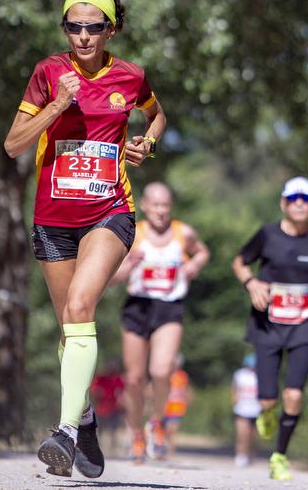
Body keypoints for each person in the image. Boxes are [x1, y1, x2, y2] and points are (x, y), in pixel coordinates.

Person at [3, 0, 165, 478]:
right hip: (53, 220)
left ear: (111, 30)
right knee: (70, 331)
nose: (83, 36)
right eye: (73, 26)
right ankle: (87, 419)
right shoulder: (48, 73)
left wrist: (145, 143)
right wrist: (57, 106)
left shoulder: (130, 77)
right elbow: (13, 144)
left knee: (80, 306)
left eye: (94, 27)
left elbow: (157, 115)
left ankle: (66, 433)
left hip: (109, 212)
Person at [231, 176, 308, 481]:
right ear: (283, 203)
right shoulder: (267, 235)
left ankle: (279, 456)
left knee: (294, 394)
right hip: (267, 324)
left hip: (303, 324)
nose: (300, 204)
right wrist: (251, 283)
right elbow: (239, 262)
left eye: (306, 199)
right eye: (294, 199)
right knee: (269, 399)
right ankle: (266, 411)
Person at [110, 182, 209, 462]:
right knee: (134, 379)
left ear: (171, 206)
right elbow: (111, 276)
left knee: (163, 371)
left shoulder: (183, 232)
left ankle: (156, 423)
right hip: (137, 307)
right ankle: (137, 436)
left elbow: (203, 252)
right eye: (155, 205)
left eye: (165, 205)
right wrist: (128, 264)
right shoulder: (134, 233)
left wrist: (194, 265)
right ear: (144, 206)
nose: (161, 211)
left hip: (169, 308)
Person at [89, 358, 126, 455]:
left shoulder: (118, 379)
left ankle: (112, 448)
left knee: (113, 429)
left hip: (114, 409)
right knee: (99, 429)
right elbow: (94, 390)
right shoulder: (101, 378)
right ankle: (99, 447)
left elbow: (122, 392)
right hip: (101, 408)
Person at [231, 352, 262, 468]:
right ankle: (240, 455)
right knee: (242, 434)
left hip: (256, 410)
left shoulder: (261, 375)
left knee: (253, 436)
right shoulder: (239, 374)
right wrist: (234, 400)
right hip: (241, 409)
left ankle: (251, 454)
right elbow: (233, 389)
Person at [163, 353, 191, 454]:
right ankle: (163, 447)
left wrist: (187, 400)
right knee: (165, 430)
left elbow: (185, 390)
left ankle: (170, 450)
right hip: (165, 406)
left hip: (177, 407)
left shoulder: (183, 376)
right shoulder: (164, 374)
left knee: (172, 430)